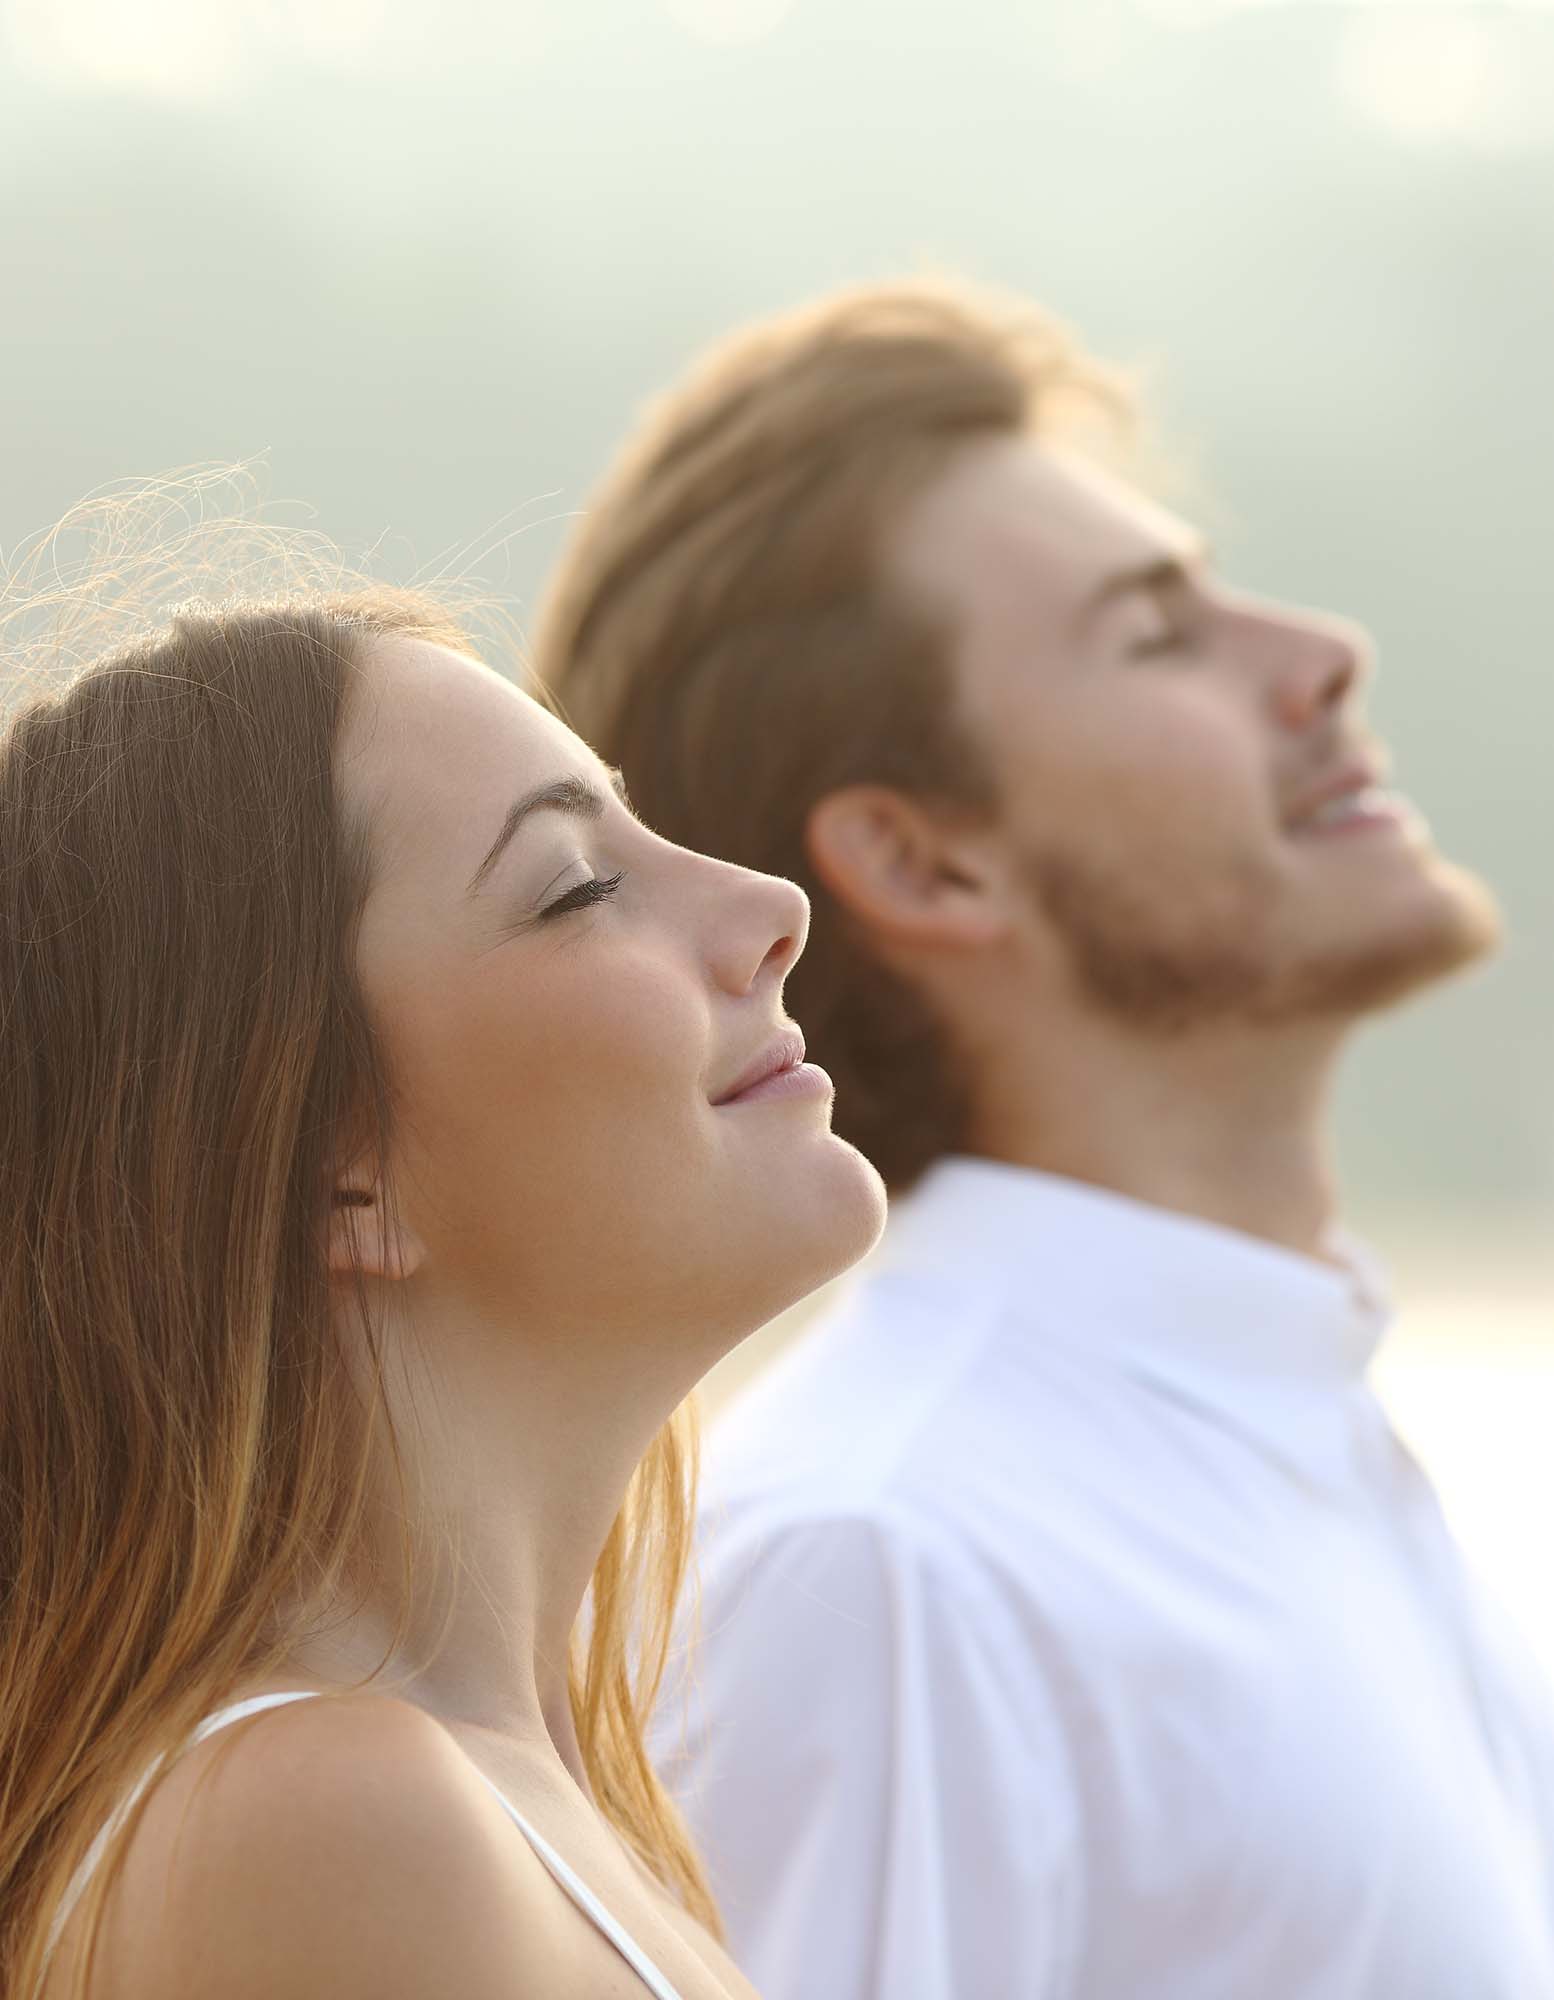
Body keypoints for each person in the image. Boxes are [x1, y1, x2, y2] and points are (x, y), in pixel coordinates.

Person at [535, 280, 1554, 1998]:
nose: (1320, 655)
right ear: (926, 863)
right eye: (1154, 636)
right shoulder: (883, 1568)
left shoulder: (1284, 1436)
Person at [0, 550, 885, 2000]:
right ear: (335, 1171)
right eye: (579, 887)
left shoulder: (532, 1807)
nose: (769, 903)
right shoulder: (322, 1826)